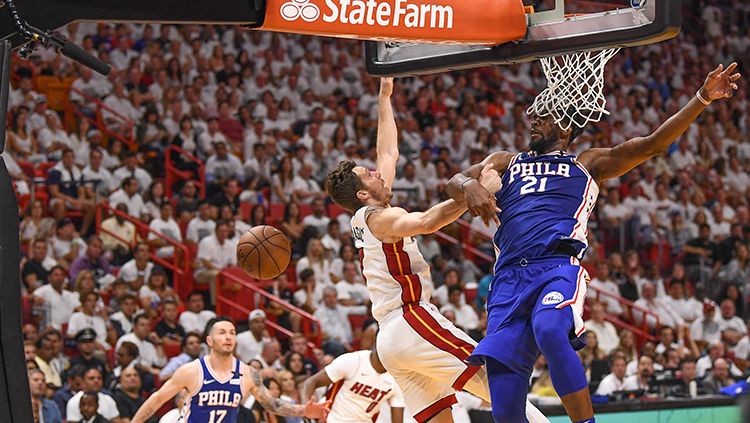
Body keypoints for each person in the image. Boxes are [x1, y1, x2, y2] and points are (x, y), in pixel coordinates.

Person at [446, 63, 740, 422]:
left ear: (565, 127)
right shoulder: (505, 161)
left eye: (543, 116)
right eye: (533, 115)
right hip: (507, 278)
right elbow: (455, 179)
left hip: (555, 268)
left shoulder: (588, 163)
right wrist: (467, 185)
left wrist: (702, 98)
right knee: (505, 410)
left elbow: (653, 145)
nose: (533, 121)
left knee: (551, 330)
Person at [326, 78, 545, 423]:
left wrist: (385, 96)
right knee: (499, 380)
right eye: (368, 175)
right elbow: (428, 221)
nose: (375, 171)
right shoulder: (381, 219)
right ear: (363, 194)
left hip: (391, 340)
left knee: (442, 418)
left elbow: (388, 152)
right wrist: (477, 192)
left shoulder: (366, 213)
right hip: (412, 318)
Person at [130, 317, 329, 422]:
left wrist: (303, 410)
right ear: (209, 341)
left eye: (232, 333)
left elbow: (271, 404)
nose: (228, 337)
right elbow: (156, 400)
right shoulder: (191, 371)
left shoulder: (247, 373)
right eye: (222, 333)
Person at [300, 349, 405, 423]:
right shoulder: (352, 361)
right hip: (331, 419)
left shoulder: (398, 377)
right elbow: (311, 382)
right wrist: (305, 407)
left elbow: (398, 414)